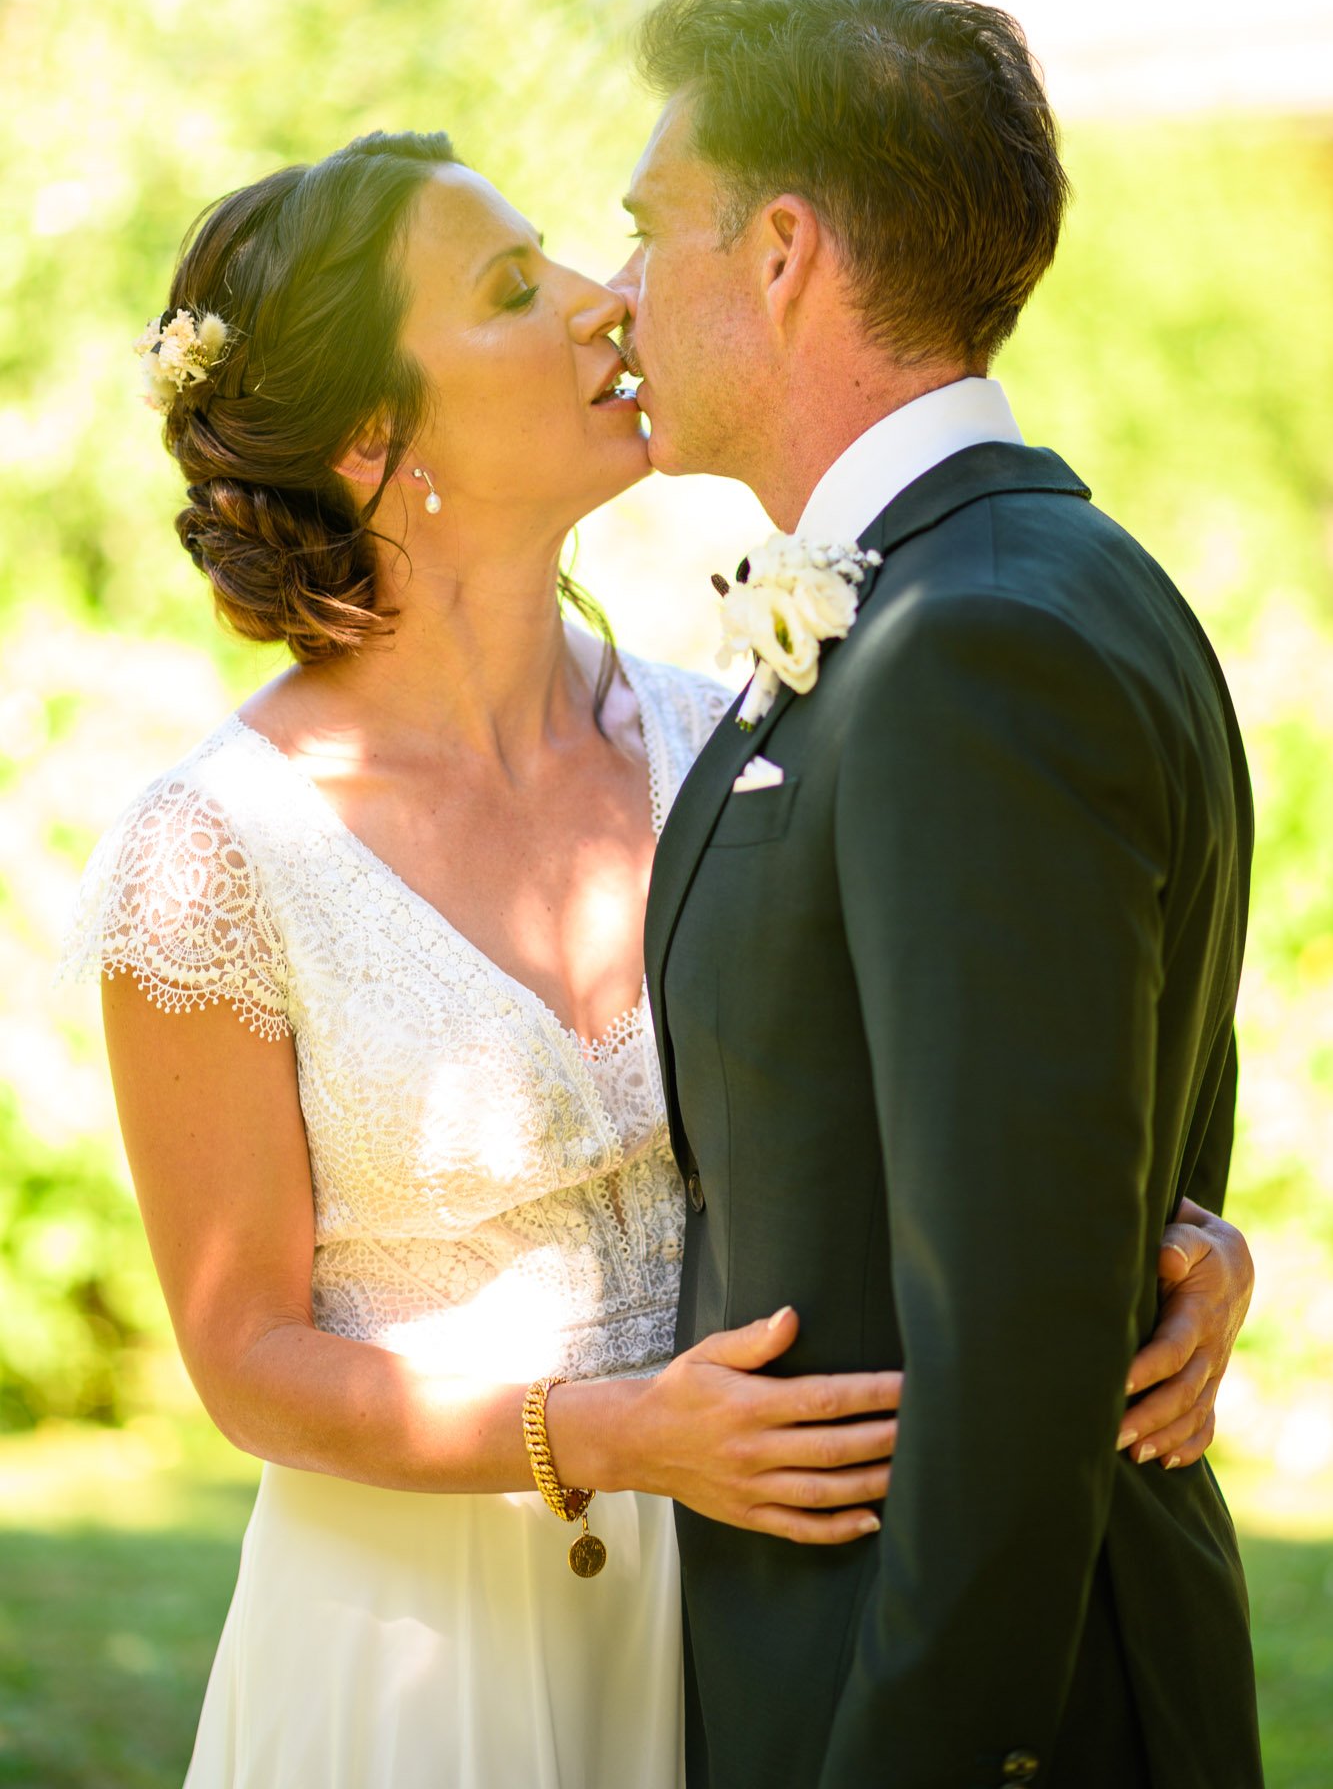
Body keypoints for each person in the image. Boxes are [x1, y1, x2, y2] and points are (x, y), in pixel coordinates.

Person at [61, 127, 1250, 1789]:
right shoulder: (214, 855)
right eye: (508, 287)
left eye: (562, 254)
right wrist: (616, 1435)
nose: (600, 300)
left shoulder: (734, 735)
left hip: (743, 1626)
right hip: (428, 1665)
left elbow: (959, 1093)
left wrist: (1171, 1247)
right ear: (369, 440)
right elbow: (245, 1363)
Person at [623, 0, 1263, 1787]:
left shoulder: (967, 644)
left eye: (645, 230)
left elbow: (1013, 1323)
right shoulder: (1012, 581)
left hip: (952, 1700)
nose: (618, 292)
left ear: (779, 255)